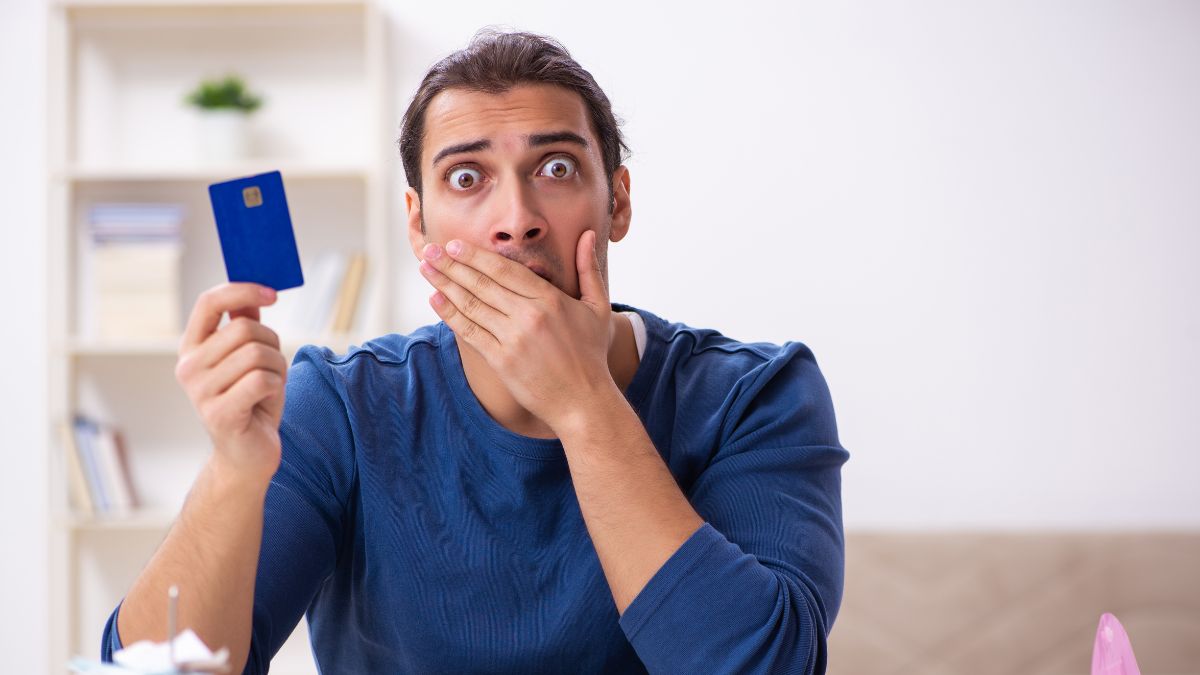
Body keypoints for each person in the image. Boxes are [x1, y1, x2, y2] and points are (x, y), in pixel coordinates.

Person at [100, 29, 849, 674]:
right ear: (418, 226)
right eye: (468, 177)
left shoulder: (757, 394)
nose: (515, 220)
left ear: (616, 201)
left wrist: (585, 404)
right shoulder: (341, 405)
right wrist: (234, 472)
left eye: (556, 168)